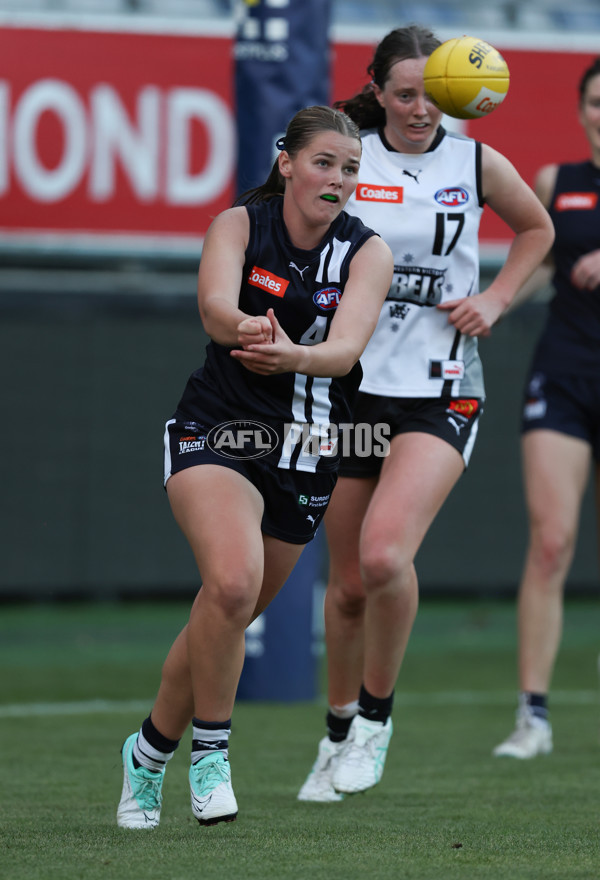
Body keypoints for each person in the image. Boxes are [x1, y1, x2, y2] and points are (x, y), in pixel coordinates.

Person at [116, 105, 394, 828]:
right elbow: (213, 307)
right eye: (325, 163)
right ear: (288, 165)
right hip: (220, 429)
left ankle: (146, 755)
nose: (338, 179)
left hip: (308, 450)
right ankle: (212, 754)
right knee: (232, 582)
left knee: (224, 613)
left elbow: (345, 350)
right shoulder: (239, 225)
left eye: (352, 168)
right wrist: (245, 327)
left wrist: (293, 355)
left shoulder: (368, 253)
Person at [297, 25, 555, 802]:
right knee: (344, 587)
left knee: (383, 557)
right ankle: (336, 732)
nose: (418, 109)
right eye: (402, 94)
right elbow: (292, 232)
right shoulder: (351, 157)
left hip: (441, 386)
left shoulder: (471, 160)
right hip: (352, 389)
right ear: (376, 91)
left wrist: (496, 298)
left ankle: (376, 720)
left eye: (429, 94)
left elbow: (537, 228)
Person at [493, 57, 600, 760]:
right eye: (596, 101)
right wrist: (483, 306)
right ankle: (532, 716)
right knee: (552, 542)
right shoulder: (557, 184)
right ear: (582, 109)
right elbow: (525, 274)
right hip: (563, 374)